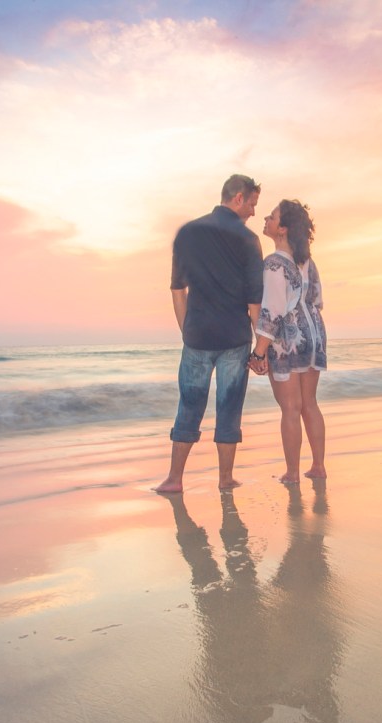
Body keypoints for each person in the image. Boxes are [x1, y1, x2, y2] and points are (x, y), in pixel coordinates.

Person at [155, 175, 264, 493]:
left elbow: (177, 290)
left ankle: (174, 479)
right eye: (254, 204)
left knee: (189, 405)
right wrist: (261, 348)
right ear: (239, 198)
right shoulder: (248, 240)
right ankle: (225, 479)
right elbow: (254, 301)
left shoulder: (187, 233)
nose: (254, 213)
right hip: (234, 338)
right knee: (229, 407)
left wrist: (188, 331)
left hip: (197, 336)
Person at [249, 199, 327, 483]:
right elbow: (317, 300)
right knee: (310, 404)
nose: (266, 219)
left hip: (288, 340)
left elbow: (272, 310)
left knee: (290, 409)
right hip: (315, 335)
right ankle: (318, 466)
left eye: (271, 217)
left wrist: (258, 352)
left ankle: (292, 473)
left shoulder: (273, 264)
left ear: (281, 229)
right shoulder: (308, 261)